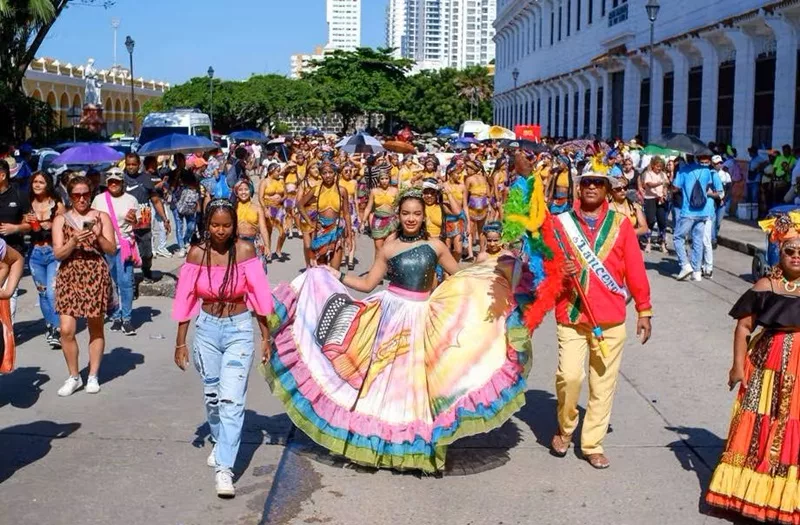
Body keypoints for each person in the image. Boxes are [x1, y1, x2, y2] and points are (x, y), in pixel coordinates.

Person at [264, 188, 534, 473]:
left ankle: (413, 445)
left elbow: (462, 275)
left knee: (413, 384)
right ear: (398, 215)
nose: (411, 219)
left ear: (424, 216)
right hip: (387, 317)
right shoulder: (388, 247)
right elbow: (369, 283)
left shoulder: (437, 246)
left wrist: (497, 273)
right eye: (406, 213)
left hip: (421, 317)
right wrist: (336, 275)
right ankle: (375, 444)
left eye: (417, 214)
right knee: (381, 383)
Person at [550, 170, 652, 469]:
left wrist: (644, 310)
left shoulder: (621, 225)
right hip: (571, 313)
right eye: (586, 183)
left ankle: (592, 443)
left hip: (609, 319)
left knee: (603, 384)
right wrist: (560, 268)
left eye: (598, 183)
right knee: (569, 377)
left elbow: (635, 270)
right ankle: (566, 428)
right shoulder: (560, 224)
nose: (592, 187)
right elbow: (543, 268)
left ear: (607, 190)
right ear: (578, 189)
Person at [172, 198, 273, 498]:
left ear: (234, 226)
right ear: (206, 224)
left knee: (231, 400)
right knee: (213, 396)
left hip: (239, 329)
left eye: (226, 225)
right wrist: (180, 342)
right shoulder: (196, 254)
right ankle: (220, 441)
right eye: (215, 225)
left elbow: (259, 296)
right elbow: (185, 299)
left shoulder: (244, 251)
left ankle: (225, 469)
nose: (220, 230)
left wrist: (265, 336)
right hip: (207, 330)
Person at [706, 211, 800, 522]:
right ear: (779, 252)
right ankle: (753, 492)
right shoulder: (765, 285)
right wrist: (737, 367)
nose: (796, 256)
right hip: (768, 363)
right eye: (790, 251)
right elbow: (744, 327)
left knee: (793, 422)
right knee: (763, 419)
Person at [52, 176, 116, 396]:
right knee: (67, 330)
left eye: (85, 194)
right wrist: (73, 241)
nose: (81, 199)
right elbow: (58, 254)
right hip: (69, 274)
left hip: (94, 273)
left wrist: (97, 238)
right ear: (70, 196)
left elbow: (112, 250)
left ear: (91, 193)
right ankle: (73, 375)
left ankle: (93, 375)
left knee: (95, 326)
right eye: (77, 195)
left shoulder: (101, 217)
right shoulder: (61, 219)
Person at [91, 169, 139, 336]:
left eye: (116, 181)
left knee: (126, 283)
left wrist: (135, 220)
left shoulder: (131, 200)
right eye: (110, 181)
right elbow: (91, 221)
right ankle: (115, 316)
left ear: (122, 183)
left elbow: (140, 223)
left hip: (124, 246)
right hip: (105, 246)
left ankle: (126, 318)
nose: (113, 184)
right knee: (110, 283)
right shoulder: (98, 199)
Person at [27, 171, 65, 348]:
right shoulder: (27, 204)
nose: (37, 185)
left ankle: (58, 329)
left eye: (41, 182)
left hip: (52, 252)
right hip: (35, 253)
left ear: (48, 184)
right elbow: (22, 226)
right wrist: (25, 222)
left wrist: (52, 225)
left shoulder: (57, 204)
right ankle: (50, 325)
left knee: (52, 292)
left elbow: (65, 226)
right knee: (42, 292)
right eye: (35, 182)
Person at [672, 156, 721, 282]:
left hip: (688, 211)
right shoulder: (706, 171)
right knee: (697, 241)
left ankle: (685, 265)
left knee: (678, 237)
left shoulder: (682, 171)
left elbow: (675, 187)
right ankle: (697, 271)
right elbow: (707, 187)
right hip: (703, 211)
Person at [123, 153, 171, 282]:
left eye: (134, 164)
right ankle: (129, 280)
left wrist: (165, 219)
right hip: (126, 225)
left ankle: (146, 271)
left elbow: (156, 201)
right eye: (128, 164)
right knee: (127, 254)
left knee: (147, 253)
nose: (131, 167)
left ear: (139, 165)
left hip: (143, 223)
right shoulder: (121, 180)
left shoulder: (146, 179)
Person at [301, 161, 350, 268]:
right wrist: (310, 222)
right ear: (321, 174)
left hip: (337, 229)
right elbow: (300, 205)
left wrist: (349, 236)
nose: (327, 175)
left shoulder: (342, 191)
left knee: (335, 270)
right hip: (320, 230)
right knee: (319, 267)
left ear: (335, 173)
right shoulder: (316, 190)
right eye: (324, 173)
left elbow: (346, 213)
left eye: (330, 172)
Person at [0, 158, 31, 320]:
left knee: (7, 300)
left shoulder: (19, 195)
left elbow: (31, 224)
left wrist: (16, 228)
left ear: (2, 176)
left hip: (13, 255)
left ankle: (8, 338)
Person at [233, 180, 270, 271]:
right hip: (237, 243)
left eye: (246, 189)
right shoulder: (233, 207)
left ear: (251, 191)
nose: (243, 192)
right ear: (236, 192)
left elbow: (263, 228)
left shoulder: (257, 208)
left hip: (253, 242)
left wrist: (267, 246)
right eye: (240, 190)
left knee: (256, 271)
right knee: (238, 271)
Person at [362, 170, 398, 258]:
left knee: (389, 248)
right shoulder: (374, 191)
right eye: (382, 179)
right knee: (378, 248)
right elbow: (368, 207)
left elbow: (399, 207)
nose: (384, 181)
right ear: (379, 180)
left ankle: (389, 269)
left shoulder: (395, 190)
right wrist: (363, 222)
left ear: (389, 179)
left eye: (386, 178)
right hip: (378, 221)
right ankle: (377, 269)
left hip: (392, 221)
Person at [641, 157, 670, 253]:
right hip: (650, 199)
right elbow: (649, 185)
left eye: (661, 167)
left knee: (662, 221)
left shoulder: (663, 174)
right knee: (650, 220)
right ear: (653, 165)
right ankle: (648, 243)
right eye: (657, 166)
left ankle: (662, 243)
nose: (659, 168)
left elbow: (666, 185)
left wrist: (665, 193)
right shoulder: (648, 174)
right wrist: (661, 182)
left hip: (661, 199)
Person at [258, 164, 287, 261]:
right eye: (277, 171)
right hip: (269, 208)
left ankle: (278, 250)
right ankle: (268, 252)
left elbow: (286, 195)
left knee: (284, 232)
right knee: (269, 232)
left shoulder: (281, 181)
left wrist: (281, 199)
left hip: (279, 209)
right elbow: (260, 197)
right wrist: (265, 209)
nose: (279, 173)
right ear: (271, 171)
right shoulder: (265, 182)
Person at [465, 159, 491, 256]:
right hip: (483, 206)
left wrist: (465, 207)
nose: (466, 171)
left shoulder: (469, 179)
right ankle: (482, 251)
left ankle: (470, 253)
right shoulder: (483, 178)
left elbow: (465, 195)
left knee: (470, 231)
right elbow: (488, 194)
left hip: (473, 207)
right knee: (481, 231)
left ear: (472, 169)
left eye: (467, 169)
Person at [711, 154, 732, 248]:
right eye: (716, 163)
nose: (719, 165)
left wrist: (724, 199)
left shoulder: (726, 175)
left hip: (722, 201)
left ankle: (715, 234)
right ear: (713, 164)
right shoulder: (710, 174)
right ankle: (713, 239)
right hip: (712, 201)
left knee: (718, 222)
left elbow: (728, 189)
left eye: (720, 163)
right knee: (713, 220)